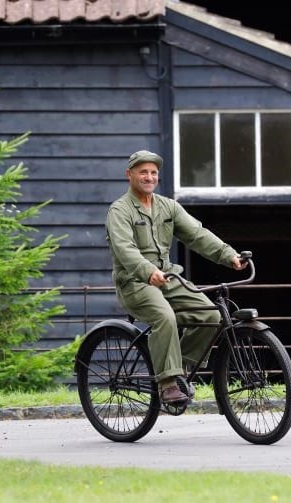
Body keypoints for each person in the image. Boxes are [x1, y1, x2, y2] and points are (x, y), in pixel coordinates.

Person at [105, 150, 246, 405]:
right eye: (143, 172)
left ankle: (179, 371)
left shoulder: (167, 206)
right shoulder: (120, 210)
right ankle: (167, 383)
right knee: (164, 316)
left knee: (211, 315)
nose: (149, 177)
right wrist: (148, 271)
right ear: (130, 175)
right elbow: (125, 250)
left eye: (153, 173)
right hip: (135, 283)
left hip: (168, 278)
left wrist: (230, 256)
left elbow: (197, 234)